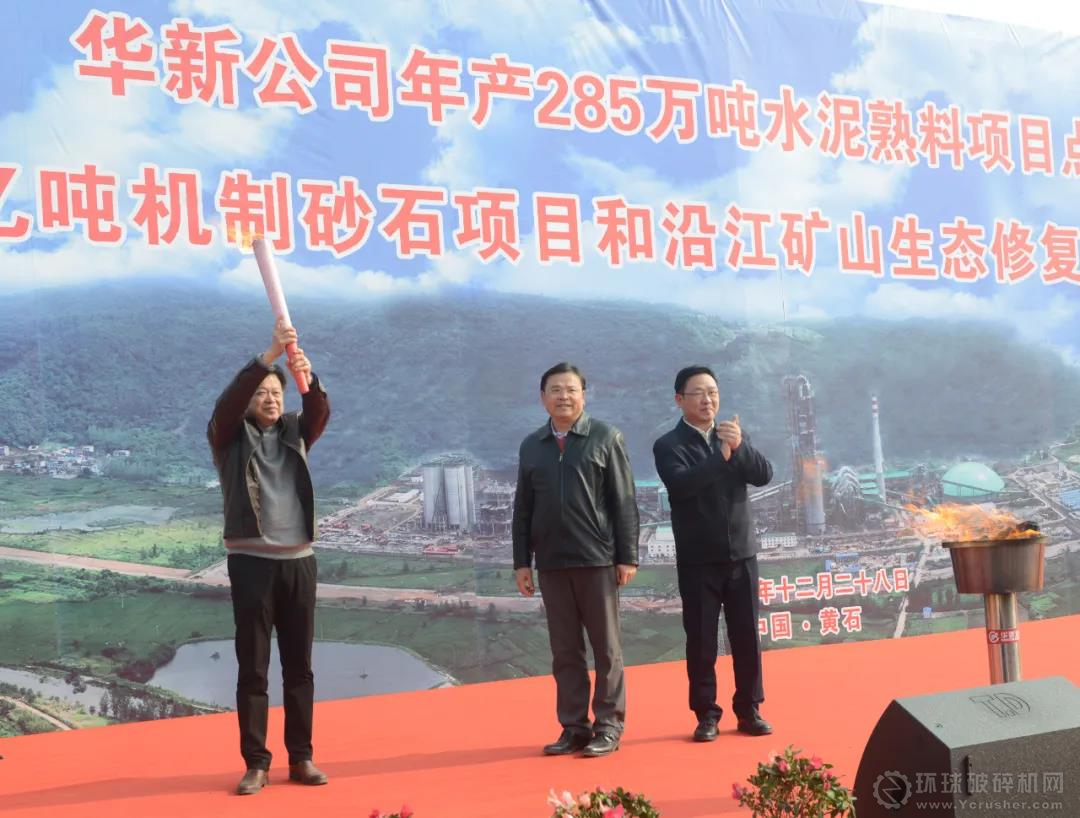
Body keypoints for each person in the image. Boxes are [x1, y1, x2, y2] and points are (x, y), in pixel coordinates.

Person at [207, 318, 331, 794]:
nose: (270, 399)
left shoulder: (297, 432)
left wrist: (305, 375)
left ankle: (301, 757)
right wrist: (269, 357)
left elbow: (318, 409)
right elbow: (226, 405)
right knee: (253, 667)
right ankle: (256, 762)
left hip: (299, 563)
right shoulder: (227, 438)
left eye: (276, 392)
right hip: (251, 564)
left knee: (299, 667)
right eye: (261, 392)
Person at [512, 362, 640, 758]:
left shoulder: (605, 437)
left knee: (606, 649)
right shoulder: (532, 445)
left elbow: (624, 502)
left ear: (583, 395)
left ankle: (609, 725)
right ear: (543, 398)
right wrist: (522, 562)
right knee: (565, 651)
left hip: (597, 559)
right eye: (555, 390)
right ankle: (574, 727)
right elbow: (523, 508)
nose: (563, 396)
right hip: (551, 563)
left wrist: (627, 556)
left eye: (571, 389)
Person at [652, 365, 774, 741]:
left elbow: (764, 475)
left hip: (742, 554)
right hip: (699, 560)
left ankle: (749, 708)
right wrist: (721, 457)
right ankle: (706, 713)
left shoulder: (733, 435)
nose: (708, 400)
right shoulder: (669, 445)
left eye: (713, 393)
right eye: (699, 393)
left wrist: (740, 448)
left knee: (746, 637)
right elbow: (683, 485)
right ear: (680, 399)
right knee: (702, 640)